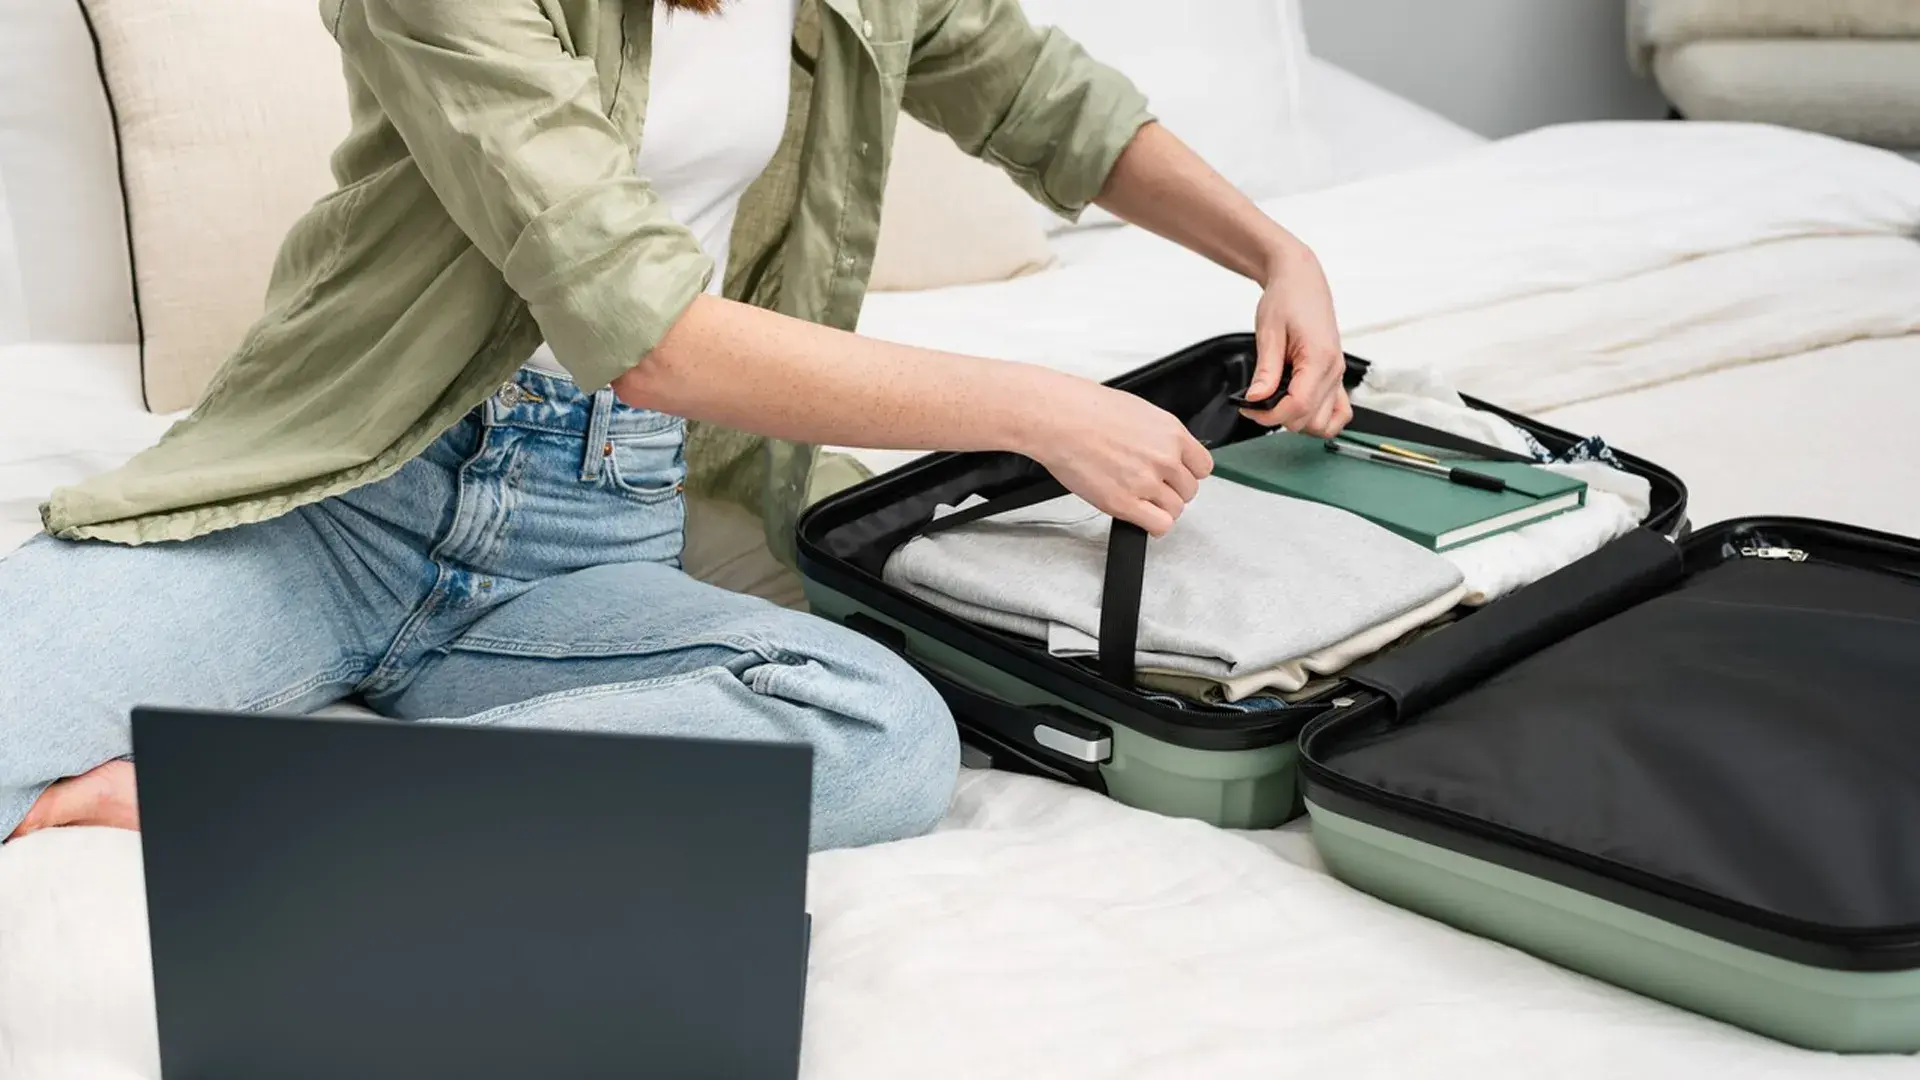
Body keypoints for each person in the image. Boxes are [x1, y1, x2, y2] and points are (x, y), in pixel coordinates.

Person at [0, 0, 1348, 848]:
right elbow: (644, 331)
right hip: (348, 498)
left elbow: (1041, 98)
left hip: (588, 537)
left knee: (883, 739)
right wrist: (1043, 408)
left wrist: (1275, 252)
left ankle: (282, 796)